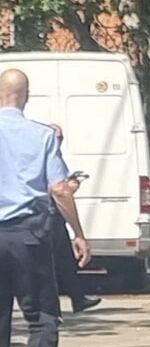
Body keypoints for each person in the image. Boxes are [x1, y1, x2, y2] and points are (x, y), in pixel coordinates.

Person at [0, 69, 91, 347]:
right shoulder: (43, 136)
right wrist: (78, 234)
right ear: (25, 96)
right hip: (28, 236)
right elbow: (60, 190)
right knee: (43, 317)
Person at [47, 125, 100, 314]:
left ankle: (77, 298)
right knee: (53, 262)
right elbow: (58, 190)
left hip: (51, 215)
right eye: (57, 137)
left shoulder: (52, 155)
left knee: (64, 261)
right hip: (49, 215)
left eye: (61, 138)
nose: (59, 141)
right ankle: (59, 304)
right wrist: (70, 187)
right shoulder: (48, 155)